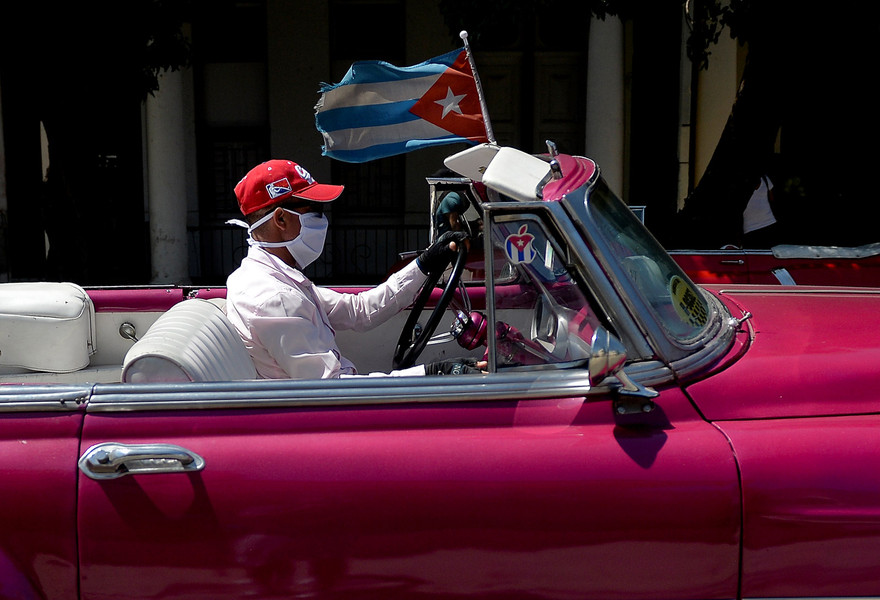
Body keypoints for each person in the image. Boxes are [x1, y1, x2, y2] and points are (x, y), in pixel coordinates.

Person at [225, 159, 484, 379]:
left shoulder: (273, 278)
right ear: (281, 218)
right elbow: (336, 392)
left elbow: (358, 311)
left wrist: (423, 264)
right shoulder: (275, 297)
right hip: (321, 424)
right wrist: (430, 373)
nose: (322, 218)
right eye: (314, 210)